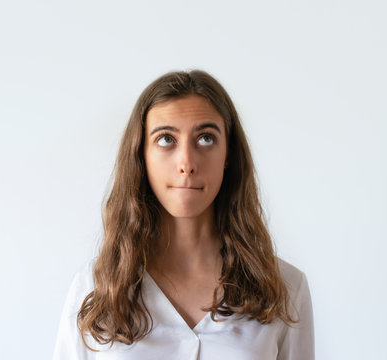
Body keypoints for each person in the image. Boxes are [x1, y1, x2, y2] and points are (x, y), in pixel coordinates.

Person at [52, 70, 314, 359]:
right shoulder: (95, 288)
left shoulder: (285, 289)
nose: (187, 163)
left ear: (228, 154)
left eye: (205, 139)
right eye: (166, 139)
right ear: (141, 156)